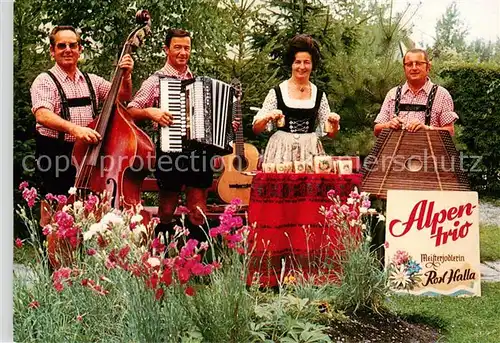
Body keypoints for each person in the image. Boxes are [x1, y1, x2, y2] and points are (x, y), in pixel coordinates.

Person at [128, 28, 237, 240]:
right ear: (166, 49)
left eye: (186, 48)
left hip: (199, 154)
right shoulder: (155, 81)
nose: (182, 52)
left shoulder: (199, 83)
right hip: (171, 153)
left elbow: (215, 118)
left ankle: (198, 261)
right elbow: (131, 111)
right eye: (177, 47)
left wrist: (227, 125)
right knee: (167, 210)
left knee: (198, 211)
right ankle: (163, 256)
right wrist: (151, 112)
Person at [31, 25, 134, 196]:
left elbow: (122, 97)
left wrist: (126, 76)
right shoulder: (44, 80)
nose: (68, 50)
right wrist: (75, 129)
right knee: (53, 208)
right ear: (52, 50)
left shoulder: (91, 80)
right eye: (62, 45)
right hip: (55, 153)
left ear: (80, 49)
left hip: (88, 153)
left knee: (87, 206)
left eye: (72, 45)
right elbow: (42, 114)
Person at [252, 34, 340, 164]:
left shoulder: (319, 95)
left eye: (307, 62)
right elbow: (256, 128)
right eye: (297, 62)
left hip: (310, 151)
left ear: (312, 64)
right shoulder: (277, 92)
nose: (302, 67)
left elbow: (331, 134)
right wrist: (268, 117)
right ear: (291, 64)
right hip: (281, 151)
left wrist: (335, 123)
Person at [374, 48, 458, 137]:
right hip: (395, 150)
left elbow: (450, 131)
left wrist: (427, 129)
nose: (414, 68)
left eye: (418, 63)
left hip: (427, 151)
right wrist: (388, 125)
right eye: (409, 64)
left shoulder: (442, 95)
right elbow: (376, 130)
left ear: (428, 67)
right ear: (404, 68)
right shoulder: (392, 94)